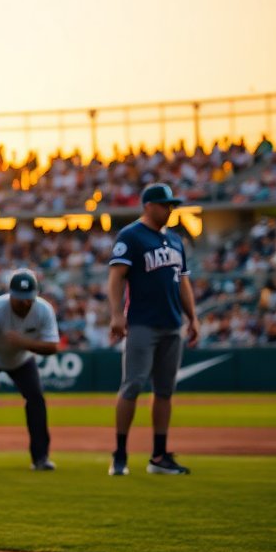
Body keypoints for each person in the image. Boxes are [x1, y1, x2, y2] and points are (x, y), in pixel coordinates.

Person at [108, 183, 199, 476]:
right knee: (132, 385)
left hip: (172, 323)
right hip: (142, 322)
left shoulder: (174, 240)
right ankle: (120, 454)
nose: (170, 209)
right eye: (165, 204)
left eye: (172, 205)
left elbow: (182, 281)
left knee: (164, 391)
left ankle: (159, 456)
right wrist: (116, 314)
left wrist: (193, 317)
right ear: (149, 205)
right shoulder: (131, 236)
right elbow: (116, 277)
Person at [0, 269, 59, 471]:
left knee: (36, 399)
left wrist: (24, 343)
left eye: (29, 299)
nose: (25, 303)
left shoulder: (43, 310)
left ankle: (40, 457)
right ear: (10, 295)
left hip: (21, 359)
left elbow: (53, 347)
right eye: (20, 299)